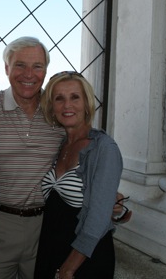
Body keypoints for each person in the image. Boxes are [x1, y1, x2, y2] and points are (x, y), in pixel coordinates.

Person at [0, 37, 128, 279]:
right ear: (6, 68)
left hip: (45, 227)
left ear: (45, 70)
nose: (29, 74)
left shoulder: (56, 109)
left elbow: (89, 151)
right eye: (20, 65)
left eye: (37, 66)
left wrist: (111, 202)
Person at [34, 71, 124, 279]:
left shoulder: (104, 148)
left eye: (75, 97)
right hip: (50, 249)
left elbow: (98, 218)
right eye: (59, 98)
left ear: (86, 102)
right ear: (51, 106)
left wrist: (68, 268)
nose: (67, 105)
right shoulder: (59, 145)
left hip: (84, 259)